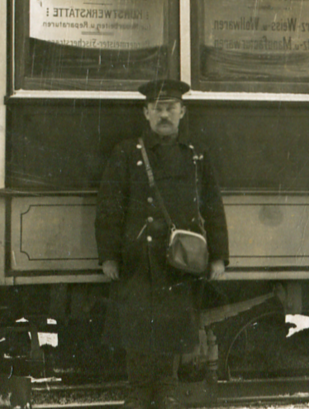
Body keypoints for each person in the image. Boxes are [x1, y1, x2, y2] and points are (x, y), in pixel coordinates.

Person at [95, 78, 228, 409]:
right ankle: (138, 391)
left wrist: (219, 258)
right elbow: (109, 208)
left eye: (171, 108)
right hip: (137, 260)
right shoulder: (127, 153)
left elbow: (213, 207)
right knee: (137, 329)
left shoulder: (196, 156)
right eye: (157, 108)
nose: (164, 115)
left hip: (177, 261)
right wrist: (108, 257)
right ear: (145, 112)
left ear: (182, 112)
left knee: (172, 328)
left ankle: (167, 390)